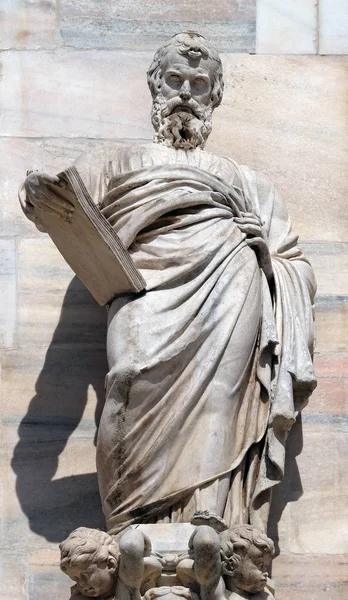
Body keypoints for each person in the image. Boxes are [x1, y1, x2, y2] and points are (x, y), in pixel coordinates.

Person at [20, 32, 316, 537]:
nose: (185, 92)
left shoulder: (247, 181)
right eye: (174, 80)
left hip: (231, 285)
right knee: (130, 378)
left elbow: (295, 263)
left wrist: (267, 259)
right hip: (144, 293)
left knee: (222, 396)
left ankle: (211, 519)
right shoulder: (114, 163)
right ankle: (128, 521)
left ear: (214, 97)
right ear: (155, 87)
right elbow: (65, 202)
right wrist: (36, 196)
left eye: (199, 84)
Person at [60, 526, 161, 599]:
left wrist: (146, 549)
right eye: (75, 578)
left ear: (110, 564)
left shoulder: (128, 580)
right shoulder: (80, 597)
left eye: (85, 575)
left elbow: (131, 545)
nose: (81, 583)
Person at [220, 525, 275, 598]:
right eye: (260, 565)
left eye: (266, 566)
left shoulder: (266, 596)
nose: (266, 573)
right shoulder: (216, 596)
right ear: (230, 566)